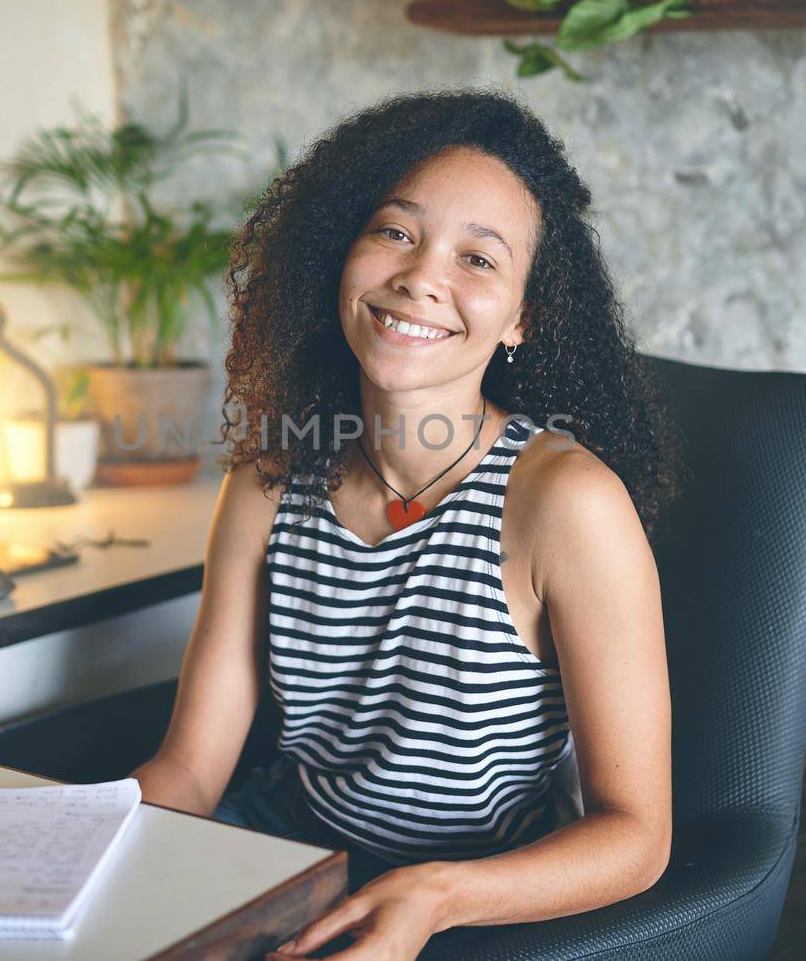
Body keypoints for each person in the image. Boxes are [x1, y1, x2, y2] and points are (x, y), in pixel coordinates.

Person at [129, 86, 686, 960]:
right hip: (290, 860)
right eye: (395, 231)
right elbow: (192, 771)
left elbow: (636, 836)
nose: (422, 276)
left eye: (479, 259)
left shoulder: (565, 504)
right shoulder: (269, 480)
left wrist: (434, 894)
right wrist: (64, 843)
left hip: (477, 897)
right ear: (339, 251)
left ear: (523, 317)